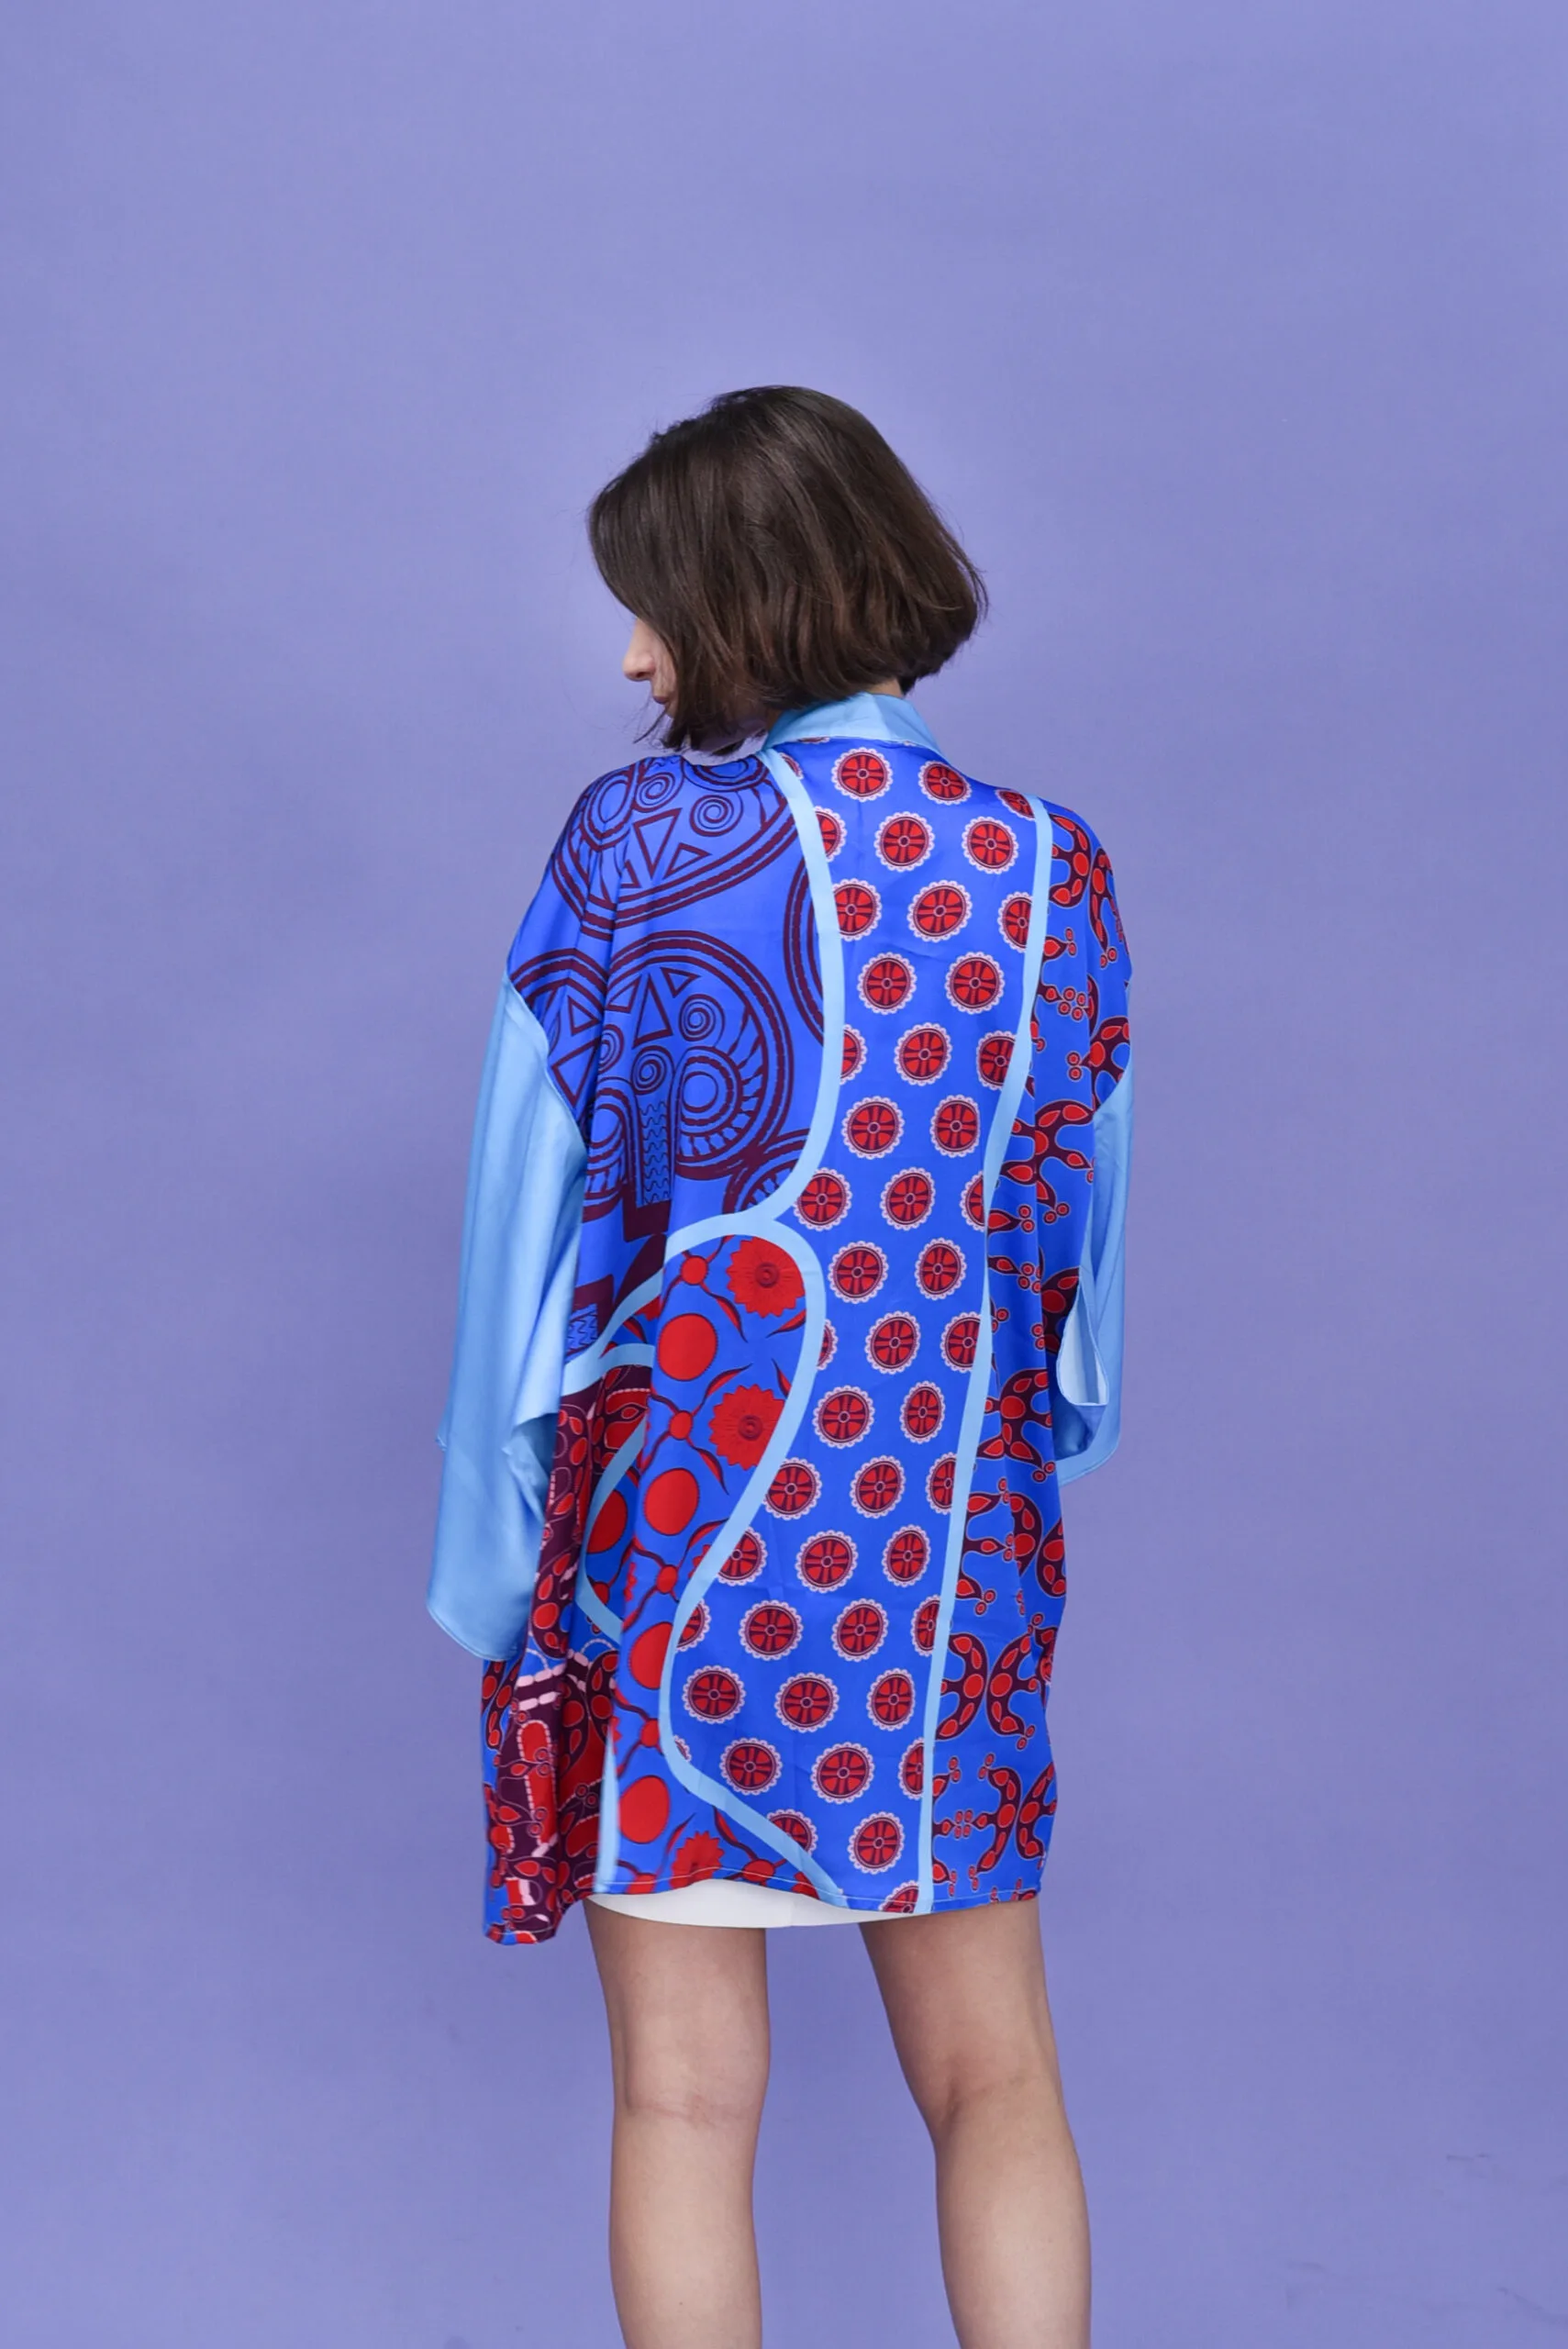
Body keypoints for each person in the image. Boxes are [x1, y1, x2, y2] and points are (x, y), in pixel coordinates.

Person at [428, 386, 1133, 2349]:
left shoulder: (636, 843)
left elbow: (519, 1244)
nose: (632, 656)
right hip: (943, 1569)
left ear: (746, 598)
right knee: (994, 2078)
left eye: (651, 603)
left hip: (681, 1564)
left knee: (682, 2097)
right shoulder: (1052, 868)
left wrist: (493, 1562)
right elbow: (1076, 1298)